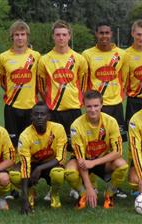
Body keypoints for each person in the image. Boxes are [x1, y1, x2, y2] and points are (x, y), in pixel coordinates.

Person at [65, 90, 129, 209]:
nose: (93, 110)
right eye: (89, 106)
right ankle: (83, 194)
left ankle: (110, 194)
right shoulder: (76, 126)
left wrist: (93, 163)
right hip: (83, 161)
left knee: (122, 165)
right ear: (84, 106)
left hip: (102, 159)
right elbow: (80, 159)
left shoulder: (111, 121)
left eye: (96, 106)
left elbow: (118, 151)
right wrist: (88, 188)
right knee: (69, 171)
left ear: (101, 105)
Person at [37, 20, 88, 148]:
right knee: (54, 145)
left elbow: (83, 85)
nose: (61, 38)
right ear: (53, 36)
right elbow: (41, 87)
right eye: (58, 35)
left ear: (69, 36)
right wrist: (49, 101)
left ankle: (74, 167)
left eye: (64, 35)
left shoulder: (79, 59)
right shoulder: (44, 59)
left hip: (74, 108)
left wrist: (78, 99)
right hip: (54, 109)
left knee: (75, 145)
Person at [17, 102, 67, 214]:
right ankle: (30, 192)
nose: (39, 117)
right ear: (31, 116)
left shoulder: (58, 129)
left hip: (51, 163)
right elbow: (25, 165)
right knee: (15, 175)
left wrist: (40, 169)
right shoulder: (25, 136)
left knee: (58, 173)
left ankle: (54, 194)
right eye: (36, 114)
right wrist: (23, 199)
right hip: (32, 164)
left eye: (42, 114)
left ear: (48, 116)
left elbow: (60, 157)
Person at [0, 20, 41, 147]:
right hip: (12, 106)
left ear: (27, 36)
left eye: (23, 34)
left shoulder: (36, 56)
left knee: (31, 142)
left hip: (31, 106)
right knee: (13, 143)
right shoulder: (3, 57)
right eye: (17, 35)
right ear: (12, 37)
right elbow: (2, 81)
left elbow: (39, 80)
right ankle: (15, 166)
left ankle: (30, 166)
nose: (20, 37)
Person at [82, 22, 126, 139]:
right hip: (96, 105)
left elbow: (124, 77)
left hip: (116, 104)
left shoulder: (121, 54)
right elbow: (84, 79)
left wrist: (122, 95)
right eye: (101, 33)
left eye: (107, 33)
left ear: (111, 34)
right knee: (97, 138)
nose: (104, 36)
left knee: (117, 139)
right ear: (96, 34)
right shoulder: (87, 54)